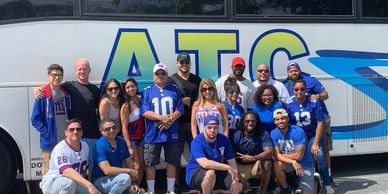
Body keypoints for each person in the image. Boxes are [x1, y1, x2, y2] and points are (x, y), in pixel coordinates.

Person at [35, 58, 100, 171]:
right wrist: (37, 89)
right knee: (50, 173)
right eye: (79, 69)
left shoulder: (95, 90)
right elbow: (35, 118)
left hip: (87, 137)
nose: (82, 71)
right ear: (75, 71)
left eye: (85, 69)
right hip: (67, 138)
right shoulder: (69, 86)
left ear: (89, 70)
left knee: (83, 170)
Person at [282, 62, 334, 187]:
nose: (293, 73)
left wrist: (317, 96)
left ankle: (328, 180)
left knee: (323, 151)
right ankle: (301, 183)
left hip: (317, 120)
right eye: (291, 71)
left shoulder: (310, 80)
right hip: (299, 129)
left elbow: (326, 95)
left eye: (295, 70)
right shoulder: (286, 84)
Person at [140, 63, 184, 194]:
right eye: (157, 74)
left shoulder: (174, 90)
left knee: (172, 162)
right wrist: (161, 118)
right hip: (153, 133)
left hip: (172, 132)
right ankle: (151, 190)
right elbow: (144, 112)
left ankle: (170, 190)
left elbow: (179, 109)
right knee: (150, 163)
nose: (160, 76)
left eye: (163, 73)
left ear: (167, 75)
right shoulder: (147, 91)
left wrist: (169, 120)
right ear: (153, 76)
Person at [166, 52, 202, 190]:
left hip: (194, 123)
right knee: (175, 156)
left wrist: (193, 103)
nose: (184, 65)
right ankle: (176, 185)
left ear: (190, 64)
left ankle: (196, 181)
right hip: (176, 124)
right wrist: (181, 101)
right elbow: (166, 101)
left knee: (198, 153)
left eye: (187, 62)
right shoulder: (170, 80)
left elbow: (203, 98)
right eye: (182, 62)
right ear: (177, 64)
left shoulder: (197, 80)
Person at [39, 119, 100, 194]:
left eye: (78, 129)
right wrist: (89, 185)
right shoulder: (61, 148)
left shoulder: (85, 146)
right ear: (66, 133)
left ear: (82, 132)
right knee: (68, 184)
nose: (75, 132)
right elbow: (67, 171)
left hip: (74, 182)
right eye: (71, 129)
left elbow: (85, 171)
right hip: (54, 182)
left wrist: (90, 187)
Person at [185, 115, 242, 194]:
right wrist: (227, 167)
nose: (212, 130)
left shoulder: (224, 139)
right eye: (209, 127)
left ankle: (214, 192)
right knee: (210, 173)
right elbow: (205, 164)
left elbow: (232, 161)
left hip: (217, 171)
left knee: (239, 186)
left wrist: (235, 180)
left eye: (215, 127)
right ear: (204, 127)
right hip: (195, 173)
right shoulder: (197, 141)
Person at [31, 64, 71, 175]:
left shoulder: (66, 94)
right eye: (54, 75)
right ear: (48, 76)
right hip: (49, 144)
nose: (57, 78)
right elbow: (35, 119)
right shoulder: (43, 94)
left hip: (64, 143)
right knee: (48, 174)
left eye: (60, 75)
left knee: (65, 173)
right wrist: (46, 133)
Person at [271, 109, 314, 194]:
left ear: (287, 119)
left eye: (283, 118)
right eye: (277, 119)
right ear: (274, 121)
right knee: (277, 164)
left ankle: (316, 180)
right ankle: (286, 188)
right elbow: (276, 156)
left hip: (304, 163)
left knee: (308, 192)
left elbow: (299, 156)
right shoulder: (273, 133)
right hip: (289, 163)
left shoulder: (298, 131)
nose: (280, 121)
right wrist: (293, 162)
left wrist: (280, 155)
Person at [92, 118, 139, 194]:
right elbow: (107, 170)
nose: (112, 131)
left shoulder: (121, 141)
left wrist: (133, 182)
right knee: (125, 178)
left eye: (114, 127)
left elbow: (129, 161)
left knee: (134, 191)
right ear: (102, 131)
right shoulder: (99, 145)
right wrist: (129, 171)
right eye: (107, 129)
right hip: (100, 180)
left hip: (117, 178)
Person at [232, 111, 273, 194]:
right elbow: (230, 158)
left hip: (256, 165)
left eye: (253, 121)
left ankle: (263, 191)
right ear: (243, 122)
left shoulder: (263, 134)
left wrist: (253, 158)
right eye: (247, 121)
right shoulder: (237, 135)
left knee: (267, 163)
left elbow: (269, 152)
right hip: (241, 167)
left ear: (257, 122)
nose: (250, 123)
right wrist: (241, 179)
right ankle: (243, 183)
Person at [120, 77, 146, 188]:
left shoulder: (140, 99)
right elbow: (124, 127)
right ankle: (133, 188)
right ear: (124, 90)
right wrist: (128, 145)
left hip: (142, 137)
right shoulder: (126, 105)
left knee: (143, 167)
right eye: (128, 87)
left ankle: (137, 188)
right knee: (137, 167)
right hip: (132, 139)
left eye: (132, 86)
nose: (131, 89)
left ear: (136, 86)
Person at [223, 77, 245, 141]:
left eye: (237, 92)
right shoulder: (222, 106)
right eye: (232, 92)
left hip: (236, 139)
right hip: (223, 138)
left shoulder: (241, 109)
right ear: (226, 93)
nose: (235, 94)